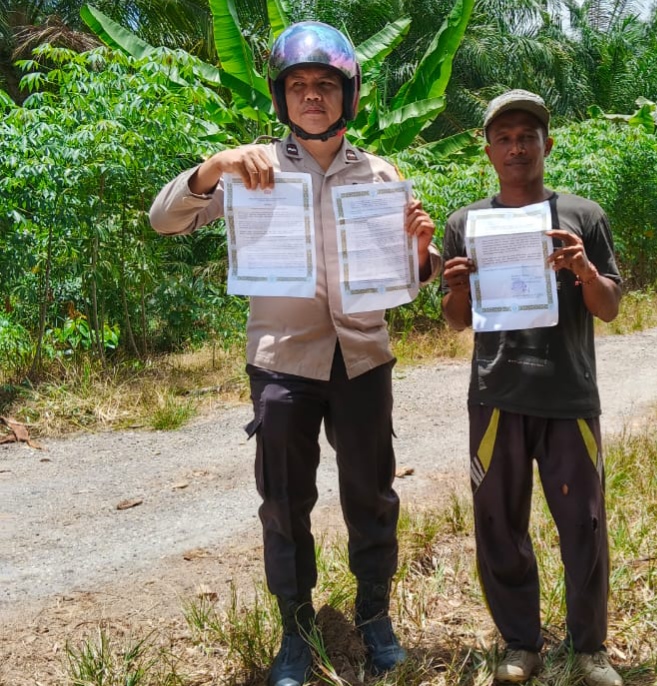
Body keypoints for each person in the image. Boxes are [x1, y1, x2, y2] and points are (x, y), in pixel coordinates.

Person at [150, 21, 440, 686]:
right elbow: (164, 220)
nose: (313, 95)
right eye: (299, 85)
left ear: (349, 95)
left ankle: (374, 617)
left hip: (363, 358)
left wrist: (421, 251)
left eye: (326, 84)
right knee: (283, 500)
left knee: (372, 493)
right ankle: (295, 630)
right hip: (283, 361)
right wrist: (211, 168)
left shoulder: (380, 173)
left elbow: (407, 279)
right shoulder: (251, 169)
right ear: (282, 98)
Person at [440, 90, 624, 686]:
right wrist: (458, 287)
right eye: (505, 138)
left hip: (568, 394)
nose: (517, 147)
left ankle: (589, 648)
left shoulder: (582, 216)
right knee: (498, 523)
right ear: (489, 150)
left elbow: (610, 307)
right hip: (497, 394)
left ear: (547, 143)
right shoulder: (465, 224)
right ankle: (520, 644)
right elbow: (455, 320)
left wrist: (585, 271)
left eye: (527, 136)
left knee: (584, 524)